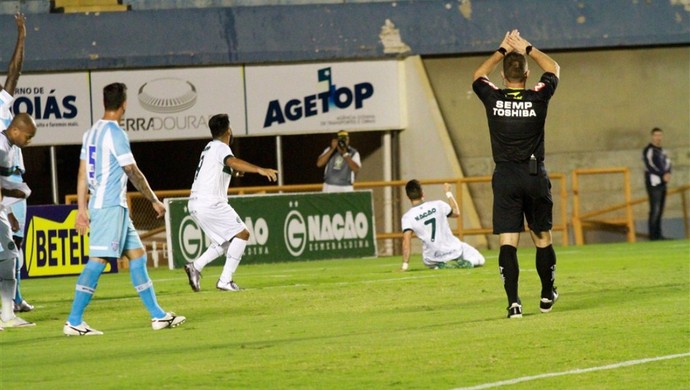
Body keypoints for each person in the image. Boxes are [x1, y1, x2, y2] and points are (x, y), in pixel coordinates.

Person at [64, 82, 185, 336]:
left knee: (138, 255)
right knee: (97, 262)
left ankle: (158, 316)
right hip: (109, 206)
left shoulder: (91, 133)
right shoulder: (116, 134)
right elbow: (132, 170)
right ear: (124, 104)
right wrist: (153, 199)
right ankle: (74, 321)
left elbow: (82, 172)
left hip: (108, 204)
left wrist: (82, 208)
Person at [472, 30, 560, 319]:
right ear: (527, 75)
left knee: (508, 241)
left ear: (503, 77)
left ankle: (514, 303)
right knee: (542, 237)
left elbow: (476, 75)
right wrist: (528, 47)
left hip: (506, 177)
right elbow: (554, 68)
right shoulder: (538, 96)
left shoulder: (493, 98)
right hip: (534, 175)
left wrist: (501, 50)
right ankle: (547, 295)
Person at [184, 114, 278, 292]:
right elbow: (232, 161)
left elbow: (222, 169)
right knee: (242, 234)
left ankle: (195, 266)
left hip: (196, 203)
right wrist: (260, 170)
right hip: (210, 202)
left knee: (227, 241)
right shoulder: (221, 147)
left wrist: (233, 173)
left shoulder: (209, 147)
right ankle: (225, 281)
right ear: (228, 130)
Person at [0, 13, 34, 331]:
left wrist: (21, 36)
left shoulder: (2, 104)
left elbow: (15, 71)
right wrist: (12, 195)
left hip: (3, 196)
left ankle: (8, 313)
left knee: (10, 254)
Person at [400, 180, 485, 271]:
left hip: (432, 258)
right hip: (452, 250)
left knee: (431, 261)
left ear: (408, 196)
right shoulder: (438, 205)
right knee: (480, 259)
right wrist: (448, 192)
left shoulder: (407, 217)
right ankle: (465, 263)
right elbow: (456, 212)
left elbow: (406, 241)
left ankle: (438, 266)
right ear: (422, 193)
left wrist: (405, 265)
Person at [8, 146, 33, 312]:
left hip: (17, 181)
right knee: (7, 248)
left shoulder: (10, 120)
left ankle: (16, 298)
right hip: (6, 183)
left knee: (16, 245)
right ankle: (9, 300)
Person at [642, 127, 672, 241]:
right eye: (656, 135)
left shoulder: (662, 151)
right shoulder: (649, 150)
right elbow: (649, 166)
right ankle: (653, 236)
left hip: (662, 183)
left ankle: (659, 234)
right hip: (653, 183)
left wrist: (668, 173)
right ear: (652, 136)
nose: (658, 137)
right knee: (655, 208)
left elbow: (668, 163)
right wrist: (662, 174)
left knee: (660, 209)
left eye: (660, 135)